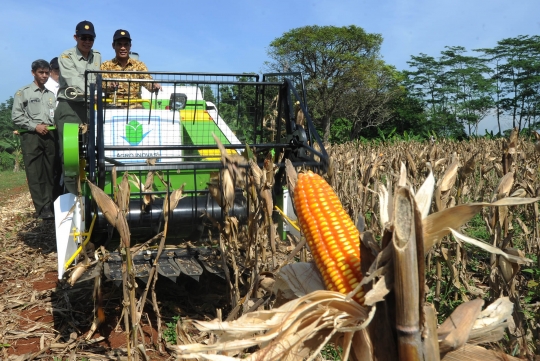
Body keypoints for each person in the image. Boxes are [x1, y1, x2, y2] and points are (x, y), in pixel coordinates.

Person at [55, 20, 101, 194]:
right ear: (76, 37)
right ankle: (73, 199)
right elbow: (73, 80)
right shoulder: (66, 56)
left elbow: (97, 78)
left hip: (89, 108)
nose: (87, 41)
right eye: (84, 37)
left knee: (92, 153)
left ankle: (90, 195)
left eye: (91, 38)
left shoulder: (97, 55)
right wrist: (93, 91)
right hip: (69, 107)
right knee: (70, 155)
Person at [12, 59, 57, 220]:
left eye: (47, 73)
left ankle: (51, 204)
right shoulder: (23, 92)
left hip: (50, 135)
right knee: (35, 173)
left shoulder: (51, 95)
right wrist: (34, 126)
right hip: (32, 136)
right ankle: (42, 208)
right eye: (41, 72)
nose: (44, 76)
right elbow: (16, 115)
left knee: (50, 171)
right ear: (33, 73)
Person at [100, 29, 161, 107]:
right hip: (113, 107)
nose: (123, 48)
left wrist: (154, 85)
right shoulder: (105, 65)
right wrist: (109, 85)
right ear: (113, 46)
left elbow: (147, 80)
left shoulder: (139, 66)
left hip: (135, 109)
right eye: (119, 44)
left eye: (126, 44)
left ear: (130, 46)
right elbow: (101, 85)